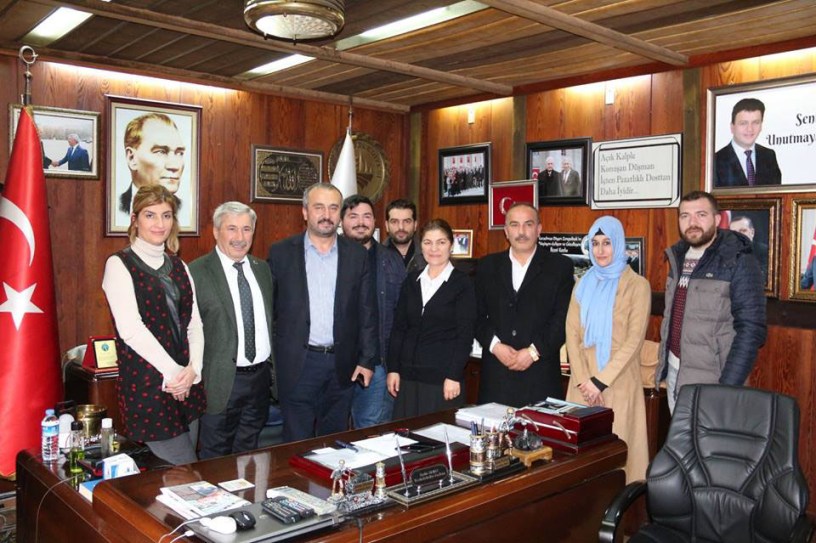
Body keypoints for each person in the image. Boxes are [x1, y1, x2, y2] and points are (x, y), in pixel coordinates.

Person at [101, 185, 205, 465]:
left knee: (186, 475)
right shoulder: (119, 264)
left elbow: (194, 323)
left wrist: (194, 370)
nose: (160, 223)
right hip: (151, 388)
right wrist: (175, 374)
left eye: (166, 215)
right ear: (135, 220)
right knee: (183, 472)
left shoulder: (180, 266)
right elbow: (131, 331)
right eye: (150, 215)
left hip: (187, 385)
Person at [267, 183, 377, 442]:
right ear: (305, 212)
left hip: (342, 365)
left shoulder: (356, 255)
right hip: (298, 363)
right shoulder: (281, 253)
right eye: (319, 207)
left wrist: (366, 360)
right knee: (296, 441)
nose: (326, 215)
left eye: (333, 208)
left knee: (334, 441)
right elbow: (270, 310)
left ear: (340, 214)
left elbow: (367, 312)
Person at [657, 191, 767, 412]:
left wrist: (728, 386)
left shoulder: (739, 260)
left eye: (701, 214)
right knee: (680, 436)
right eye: (685, 216)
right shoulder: (677, 258)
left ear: (717, 219)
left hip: (715, 382)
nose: (692, 222)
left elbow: (752, 329)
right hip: (676, 373)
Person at [565, 216, 650, 482]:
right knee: (581, 461)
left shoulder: (637, 286)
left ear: (619, 244)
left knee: (618, 459)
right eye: (595, 243)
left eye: (607, 243)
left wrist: (600, 382)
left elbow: (634, 341)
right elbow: (572, 334)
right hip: (582, 386)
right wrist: (585, 381)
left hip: (618, 382)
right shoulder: (582, 284)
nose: (600, 250)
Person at [189, 202, 275, 459]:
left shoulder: (263, 269)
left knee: (249, 455)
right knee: (216, 458)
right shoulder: (196, 272)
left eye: (246, 229)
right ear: (216, 232)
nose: (240, 237)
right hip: (220, 382)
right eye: (232, 229)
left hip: (259, 381)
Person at [475, 202, 574, 406]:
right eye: (514, 225)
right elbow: (475, 315)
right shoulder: (487, 266)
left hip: (540, 377)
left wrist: (533, 352)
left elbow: (563, 319)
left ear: (539, 229)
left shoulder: (559, 267)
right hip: (496, 378)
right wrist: (495, 346)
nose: (521, 232)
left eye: (528, 224)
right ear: (506, 231)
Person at [387, 219, 476, 418]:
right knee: (406, 433)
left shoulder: (462, 283)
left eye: (441, 242)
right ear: (421, 246)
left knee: (436, 433)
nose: (434, 249)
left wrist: (454, 375)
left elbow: (465, 335)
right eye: (428, 242)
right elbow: (399, 329)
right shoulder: (411, 280)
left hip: (442, 380)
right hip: (408, 378)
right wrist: (393, 369)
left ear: (451, 245)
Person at [340, 195, 406, 428]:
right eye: (353, 216)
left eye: (367, 216)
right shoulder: (329, 257)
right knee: (330, 433)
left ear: (376, 222)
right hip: (336, 364)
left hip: (379, 365)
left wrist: (395, 366)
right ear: (341, 221)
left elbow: (402, 317)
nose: (361, 222)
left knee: (372, 431)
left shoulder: (392, 260)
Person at [118, 113, 186, 222]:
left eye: (179, 153)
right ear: (132, 158)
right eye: (161, 152)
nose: (175, 166)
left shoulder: (183, 208)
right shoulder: (120, 205)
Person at [715, 98, 781, 187]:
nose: (750, 129)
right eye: (743, 123)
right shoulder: (716, 160)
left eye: (755, 122)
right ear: (732, 127)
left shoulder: (769, 156)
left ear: (761, 126)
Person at [383, 199, 426, 273]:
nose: (401, 227)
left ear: (415, 225)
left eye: (407, 221)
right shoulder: (376, 257)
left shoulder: (429, 255)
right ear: (387, 225)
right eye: (394, 222)